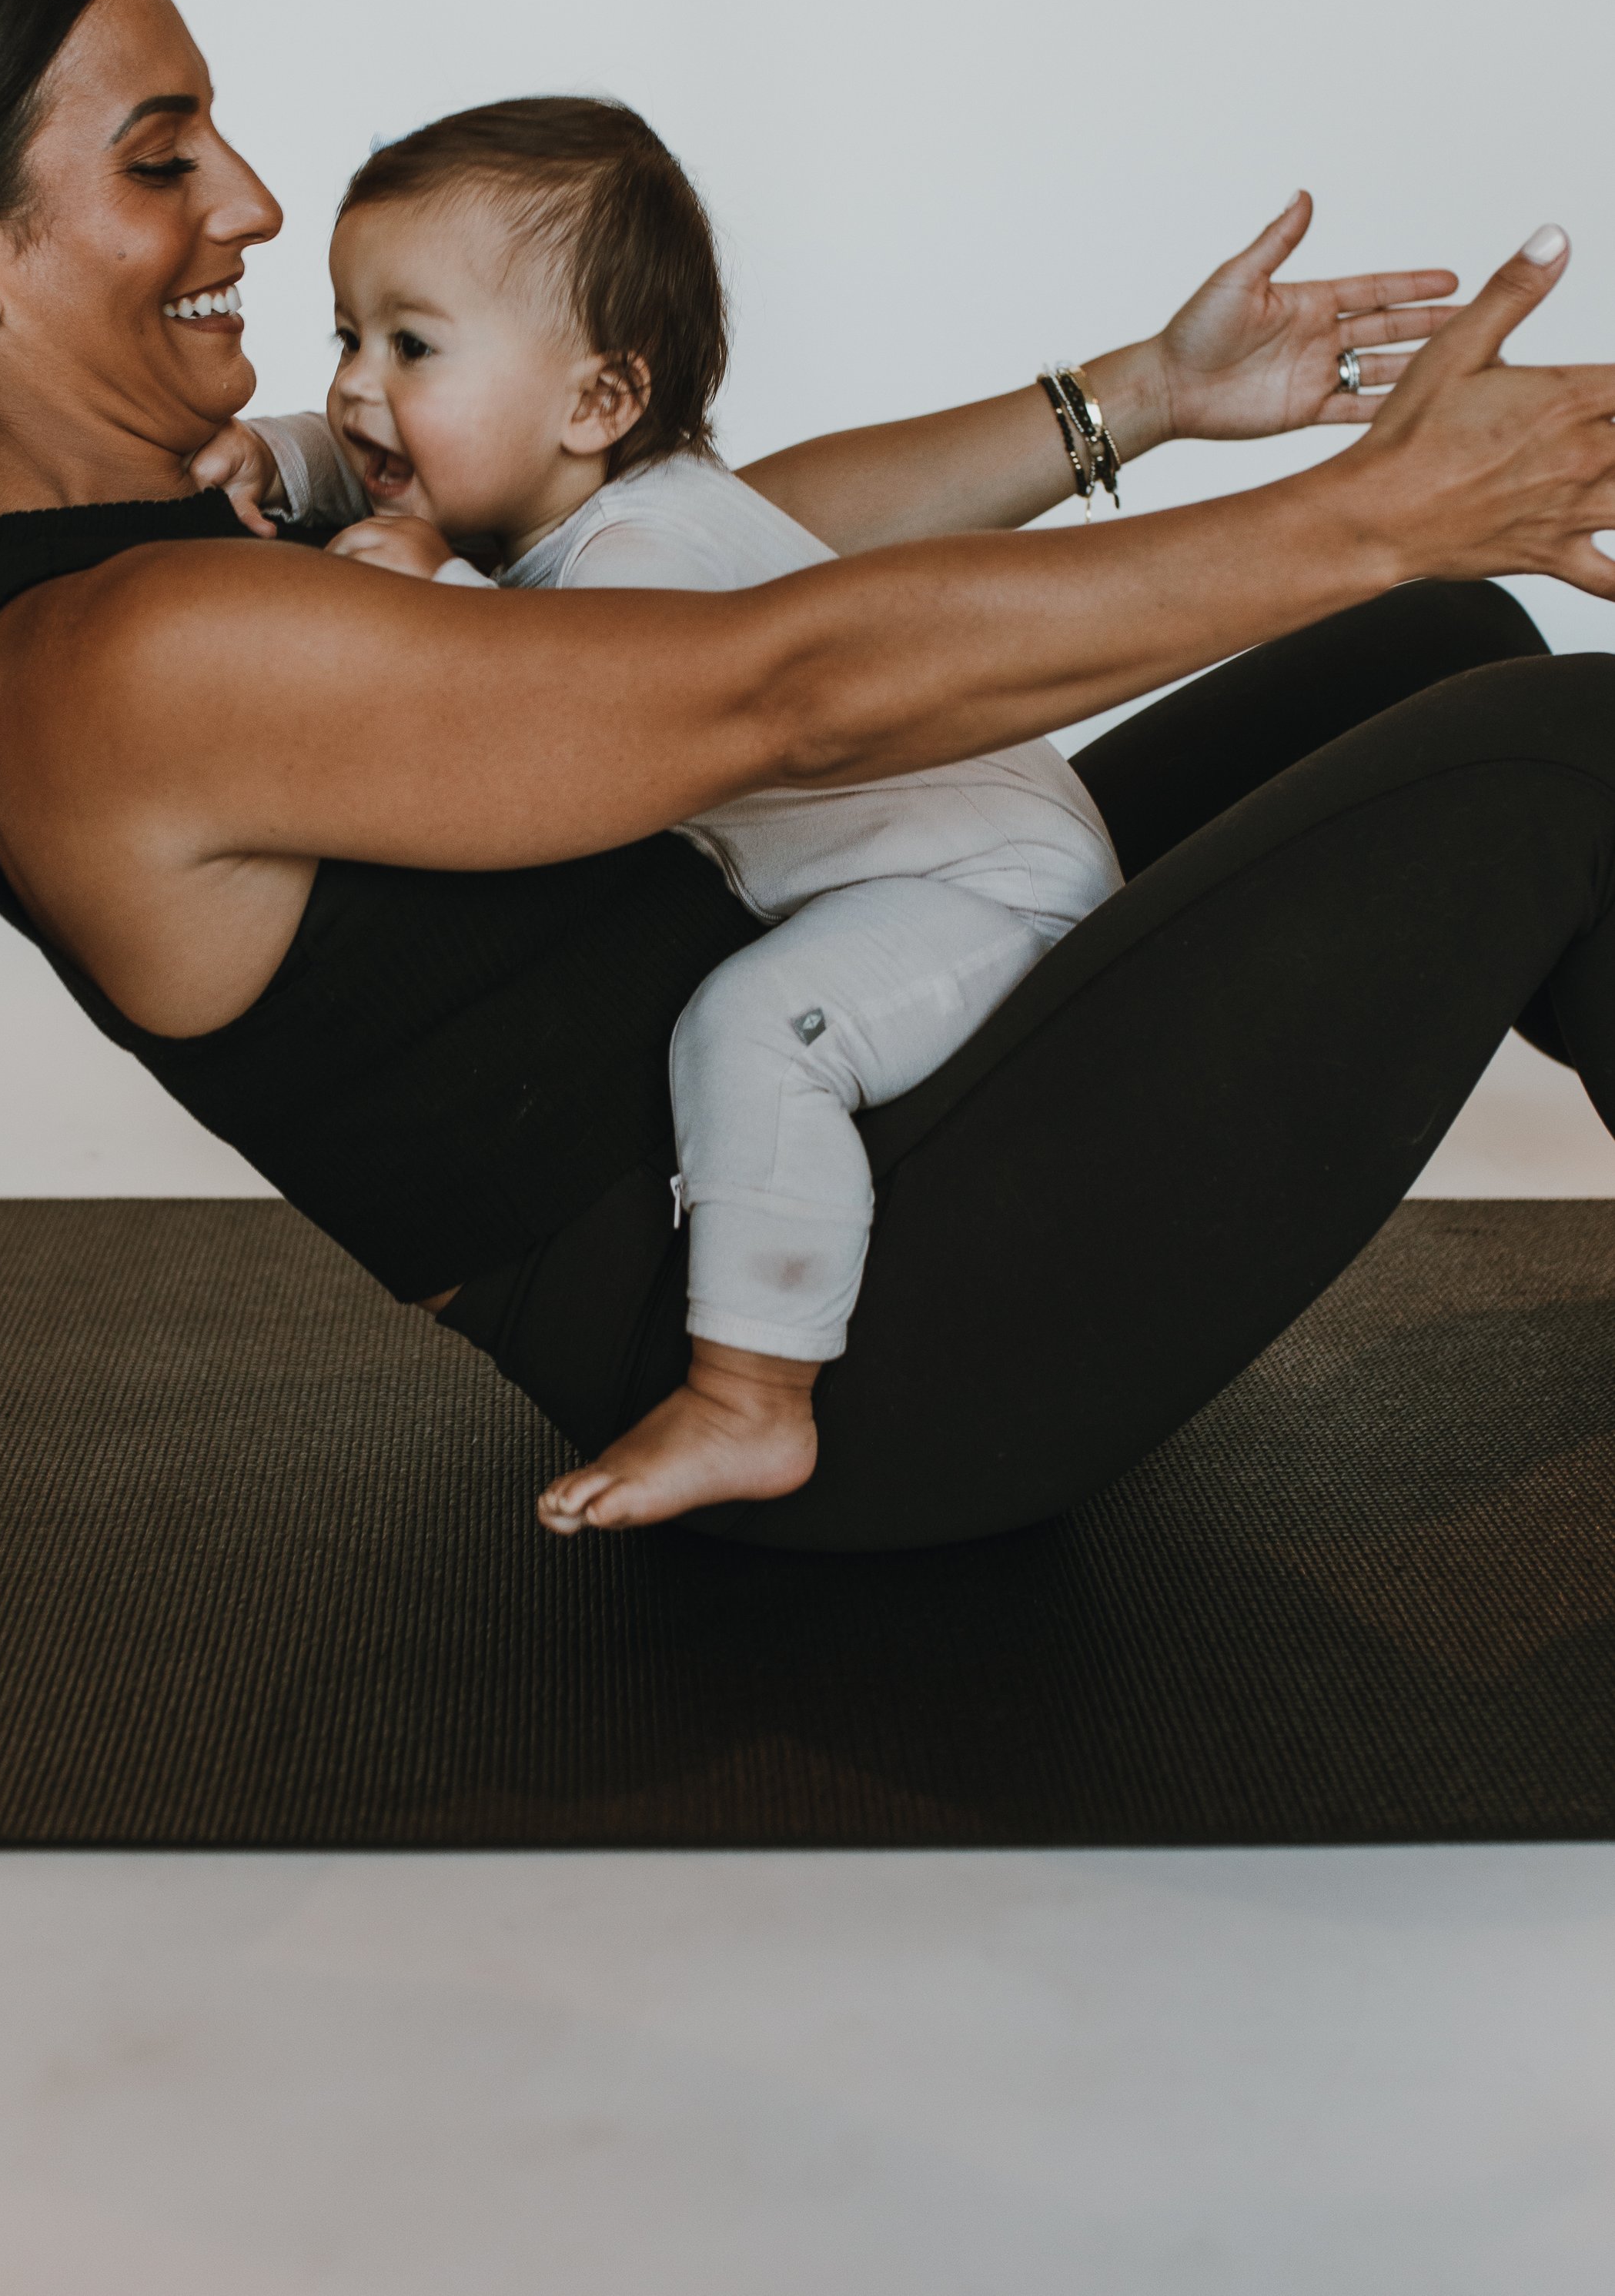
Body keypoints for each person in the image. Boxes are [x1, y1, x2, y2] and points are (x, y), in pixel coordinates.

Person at [0, 0, 1615, 1561]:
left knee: (1434, 642)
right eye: (159, 159)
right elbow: (782, 690)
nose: (255, 205)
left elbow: (688, 547)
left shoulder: (205, 547)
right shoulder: (119, 668)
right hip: (862, 1351)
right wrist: (1358, 509)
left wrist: (1137, 400)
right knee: (1566, 752)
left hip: (895, 1142)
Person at [203, 95, 1126, 1534]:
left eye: (412, 345)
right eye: (345, 338)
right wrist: (285, 460)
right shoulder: (566, 491)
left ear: (597, 403)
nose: (355, 387)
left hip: (988, 895)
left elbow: (542, 703)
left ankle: (754, 1397)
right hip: (929, 872)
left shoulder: (640, 555)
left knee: (753, 1030)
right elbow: (404, 460)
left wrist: (425, 595)